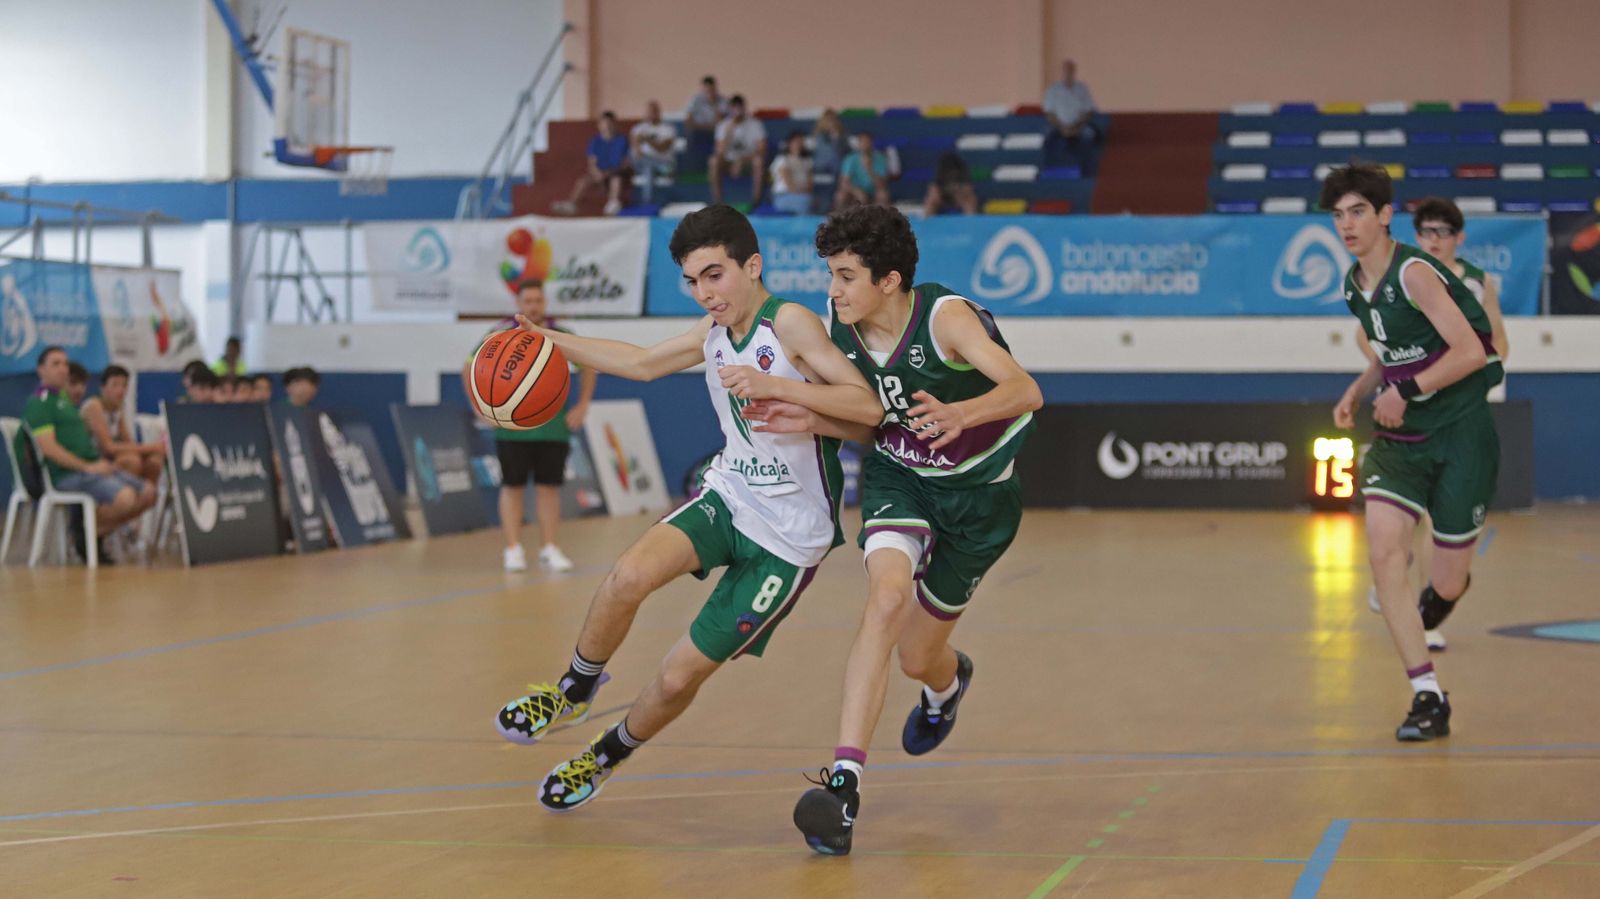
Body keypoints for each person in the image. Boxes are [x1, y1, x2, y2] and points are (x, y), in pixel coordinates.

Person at [490, 205, 883, 814]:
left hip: (789, 541)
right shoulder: (713, 334)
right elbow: (643, 363)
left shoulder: (793, 323)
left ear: (752, 266)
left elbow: (867, 408)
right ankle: (573, 688)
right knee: (627, 577)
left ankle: (605, 755)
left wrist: (781, 387)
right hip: (729, 498)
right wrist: (549, 340)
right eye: (693, 281)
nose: (705, 292)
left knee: (677, 676)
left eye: (715, 275)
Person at [738, 205, 1041, 855]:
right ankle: (844, 785)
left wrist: (964, 410)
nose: (833, 289)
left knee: (916, 657)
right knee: (884, 600)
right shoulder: (839, 335)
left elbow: (1024, 389)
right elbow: (868, 424)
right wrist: (807, 418)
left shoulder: (945, 318)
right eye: (830, 274)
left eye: (846, 276)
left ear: (890, 280)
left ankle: (947, 682)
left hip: (979, 501)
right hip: (900, 478)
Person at [1324, 164, 1499, 743]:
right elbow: (1391, 350)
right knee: (1384, 552)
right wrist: (1362, 386)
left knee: (1446, 583)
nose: (1346, 225)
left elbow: (1473, 351)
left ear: (1383, 216)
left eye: (1357, 212)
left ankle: (1440, 599)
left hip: (1461, 435)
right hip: (1402, 443)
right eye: (1338, 215)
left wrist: (1408, 389)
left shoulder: (1416, 272)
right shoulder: (1354, 286)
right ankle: (1427, 695)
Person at [1359, 196, 1511, 651]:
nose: (1435, 240)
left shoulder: (1478, 283)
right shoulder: (1404, 275)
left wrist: (1460, 370)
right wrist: (1396, 371)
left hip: (1461, 414)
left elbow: (1497, 342)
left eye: (1444, 232)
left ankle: (1428, 603)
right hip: (1411, 412)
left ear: (1459, 238)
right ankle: (1403, 592)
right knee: (1405, 512)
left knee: (1445, 525)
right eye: (1427, 232)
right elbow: (1369, 334)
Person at [462, 278, 597, 573]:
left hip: (552, 427)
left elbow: (589, 365)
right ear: (519, 304)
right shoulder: (499, 335)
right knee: (513, 487)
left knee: (548, 488)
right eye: (528, 301)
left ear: (544, 302)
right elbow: (469, 366)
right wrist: (479, 406)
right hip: (510, 426)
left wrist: (583, 404)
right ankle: (512, 549)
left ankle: (550, 547)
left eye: (538, 300)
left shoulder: (559, 335)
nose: (533, 306)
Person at [16, 347, 157, 562]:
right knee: (126, 498)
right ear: (40, 370)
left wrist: (98, 464)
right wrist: (88, 467)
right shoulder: (40, 403)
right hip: (67, 475)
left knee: (149, 492)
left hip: (94, 467)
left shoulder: (65, 403)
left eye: (65, 363)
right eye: (55, 364)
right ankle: (85, 532)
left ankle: (91, 532)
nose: (63, 369)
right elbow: (49, 448)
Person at [81, 364, 164, 483]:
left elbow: (128, 443)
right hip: (93, 460)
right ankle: (125, 498)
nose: (120, 390)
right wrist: (152, 447)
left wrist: (152, 450)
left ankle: (146, 498)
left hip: (108, 457)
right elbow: (108, 447)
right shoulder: (93, 406)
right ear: (102, 388)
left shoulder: (118, 408)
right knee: (132, 461)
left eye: (124, 385)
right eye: (115, 385)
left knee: (153, 462)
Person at [554, 111, 631, 216]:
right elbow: (591, 163)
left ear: (614, 124)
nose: (606, 127)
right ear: (599, 126)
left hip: (615, 172)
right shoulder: (595, 141)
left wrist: (609, 173)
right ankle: (571, 204)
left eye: (609, 124)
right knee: (582, 181)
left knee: (616, 179)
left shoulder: (622, 140)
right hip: (598, 173)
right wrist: (597, 173)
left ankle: (613, 203)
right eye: (604, 124)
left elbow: (625, 163)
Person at [709, 95, 768, 206]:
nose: (737, 111)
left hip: (747, 161)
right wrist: (729, 133)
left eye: (740, 107)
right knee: (713, 161)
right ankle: (717, 200)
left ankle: (756, 200)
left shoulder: (755, 124)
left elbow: (762, 150)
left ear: (744, 108)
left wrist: (742, 160)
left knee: (758, 161)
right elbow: (719, 151)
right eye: (734, 108)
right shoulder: (723, 125)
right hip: (728, 162)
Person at [1042, 59, 1099, 171]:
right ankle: (1051, 168)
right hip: (1057, 126)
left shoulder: (1082, 89)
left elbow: (1088, 111)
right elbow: (1049, 113)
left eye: (1071, 70)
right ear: (1062, 72)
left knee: (1090, 135)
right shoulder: (1052, 90)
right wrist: (1063, 128)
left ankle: (1086, 169)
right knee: (1047, 137)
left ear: (1074, 71)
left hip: (1079, 126)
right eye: (1066, 70)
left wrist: (1076, 127)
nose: (1068, 73)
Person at [630, 100, 679, 206]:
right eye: (648, 111)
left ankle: (647, 202)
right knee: (646, 164)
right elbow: (637, 152)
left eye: (653, 111)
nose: (650, 114)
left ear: (658, 112)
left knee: (649, 167)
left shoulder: (668, 129)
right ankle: (649, 202)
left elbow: (662, 148)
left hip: (665, 165)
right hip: (641, 165)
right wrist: (641, 143)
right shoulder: (638, 129)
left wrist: (647, 139)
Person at [835, 131, 891, 209]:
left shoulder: (880, 158)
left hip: (873, 190)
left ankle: (880, 220)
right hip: (854, 190)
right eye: (862, 142)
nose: (865, 144)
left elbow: (881, 185)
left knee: (883, 195)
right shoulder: (850, 158)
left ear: (872, 143)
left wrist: (869, 168)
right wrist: (857, 191)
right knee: (840, 196)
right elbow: (844, 183)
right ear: (859, 144)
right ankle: (839, 219)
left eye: (867, 142)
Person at [769, 131, 814, 215]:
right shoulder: (781, 159)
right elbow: (789, 184)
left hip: (804, 195)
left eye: (800, 142)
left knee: (811, 200)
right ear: (789, 143)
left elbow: (810, 185)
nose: (798, 144)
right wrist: (801, 191)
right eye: (795, 142)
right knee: (804, 202)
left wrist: (805, 191)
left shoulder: (808, 161)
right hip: (783, 196)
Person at [684, 75, 726, 163]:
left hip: (715, 132)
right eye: (706, 90)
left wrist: (712, 103)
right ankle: (693, 163)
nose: (708, 92)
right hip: (699, 131)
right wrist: (705, 127)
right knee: (691, 132)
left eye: (711, 90)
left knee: (721, 134)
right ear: (702, 89)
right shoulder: (695, 100)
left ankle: (716, 161)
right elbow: (688, 120)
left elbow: (720, 121)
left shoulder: (722, 101)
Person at [922, 151, 978, 216]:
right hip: (942, 198)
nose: (951, 175)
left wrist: (962, 197)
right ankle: (928, 224)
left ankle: (970, 222)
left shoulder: (965, 183)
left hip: (961, 198)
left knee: (969, 200)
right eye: (949, 174)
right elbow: (932, 199)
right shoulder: (936, 185)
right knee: (932, 199)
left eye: (954, 174)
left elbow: (969, 195)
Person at [810, 109, 848, 176]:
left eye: (834, 119)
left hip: (838, 169)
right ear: (824, 121)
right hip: (820, 168)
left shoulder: (842, 136)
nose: (832, 122)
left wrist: (836, 137)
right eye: (829, 119)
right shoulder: (818, 135)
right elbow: (817, 152)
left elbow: (844, 152)